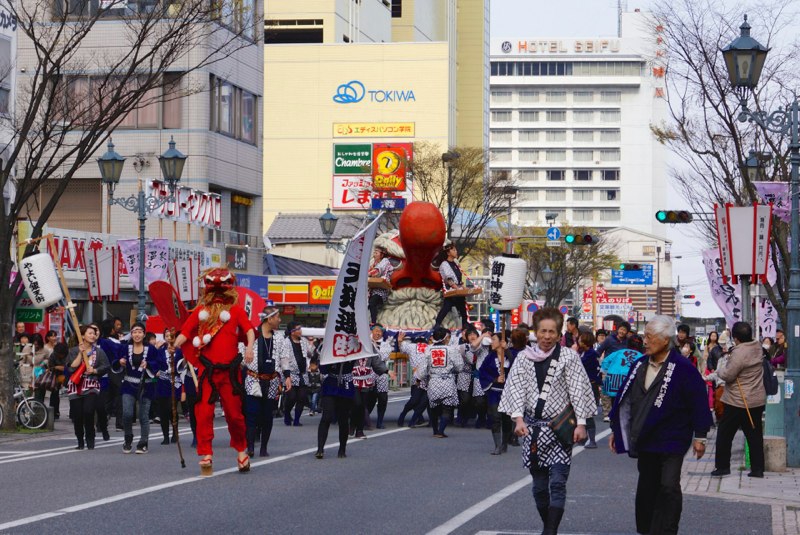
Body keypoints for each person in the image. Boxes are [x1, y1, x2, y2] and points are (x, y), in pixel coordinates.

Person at [608, 315, 712, 535]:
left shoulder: (683, 368)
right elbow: (625, 399)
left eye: (649, 337)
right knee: (647, 486)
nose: (645, 341)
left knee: (668, 485)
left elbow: (698, 402)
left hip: (673, 438)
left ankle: (667, 530)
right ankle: (647, 529)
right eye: (645, 336)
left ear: (665, 340)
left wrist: (700, 436)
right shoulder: (639, 365)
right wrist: (618, 430)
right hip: (646, 437)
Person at [499, 307, 595, 535]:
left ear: (559, 333)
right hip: (532, 430)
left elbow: (578, 390)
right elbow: (515, 389)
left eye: (552, 332)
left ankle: (550, 531)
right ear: (536, 331)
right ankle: (548, 525)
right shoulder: (523, 358)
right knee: (540, 488)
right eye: (543, 331)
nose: (547, 336)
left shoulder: (568, 356)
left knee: (558, 482)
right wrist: (518, 419)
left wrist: (581, 423)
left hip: (560, 429)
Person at [174, 267, 256, 475]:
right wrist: (175, 344)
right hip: (207, 370)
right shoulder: (201, 312)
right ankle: (206, 452)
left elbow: (249, 331)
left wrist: (248, 348)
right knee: (203, 412)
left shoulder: (236, 310)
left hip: (230, 371)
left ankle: (241, 450)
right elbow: (185, 332)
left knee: (234, 414)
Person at [711, 321, 766, 478]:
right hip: (756, 399)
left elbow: (729, 375)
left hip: (738, 400)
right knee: (754, 435)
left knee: (724, 434)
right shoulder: (757, 347)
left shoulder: (740, 352)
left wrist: (720, 370)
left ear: (736, 338)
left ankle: (722, 467)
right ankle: (757, 469)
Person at [116, 322, 165, 454]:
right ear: (131, 334)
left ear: (144, 334)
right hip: (128, 384)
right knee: (127, 414)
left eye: (140, 332)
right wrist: (119, 362)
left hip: (146, 384)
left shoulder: (152, 349)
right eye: (134, 331)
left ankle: (143, 442)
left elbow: (160, 363)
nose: (137, 334)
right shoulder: (125, 348)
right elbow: (115, 362)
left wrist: (148, 364)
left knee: (143, 416)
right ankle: (128, 438)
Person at [242, 306, 285, 458]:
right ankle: (251, 446)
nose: (279, 320)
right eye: (278, 317)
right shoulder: (252, 334)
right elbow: (242, 353)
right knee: (252, 414)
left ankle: (264, 447)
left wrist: (286, 376)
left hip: (271, 380)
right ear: (270, 318)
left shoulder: (279, 338)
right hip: (253, 379)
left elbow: (283, 358)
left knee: (267, 416)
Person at [66, 325, 111, 450]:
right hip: (75, 385)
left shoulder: (99, 352)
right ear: (82, 335)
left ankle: (90, 439)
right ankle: (80, 440)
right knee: (77, 415)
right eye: (90, 333)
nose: (93, 335)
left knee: (88, 411)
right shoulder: (73, 350)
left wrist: (95, 370)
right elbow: (71, 367)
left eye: (94, 333)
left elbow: (106, 366)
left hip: (91, 384)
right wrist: (81, 354)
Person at [419, 327, 463, 438]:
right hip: (447, 380)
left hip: (433, 381)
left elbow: (423, 368)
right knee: (446, 408)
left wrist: (419, 378)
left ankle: (435, 430)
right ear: (445, 338)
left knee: (433, 407)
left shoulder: (429, 349)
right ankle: (441, 431)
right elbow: (459, 366)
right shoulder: (451, 350)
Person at [316, 356, 356, 459]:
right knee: (326, 417)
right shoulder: (329, 346)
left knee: (343, 419)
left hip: (346, 384)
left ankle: (342, 448)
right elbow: (323, 370)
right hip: (331, 383)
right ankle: (320, 448)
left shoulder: (354, 344)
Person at [479, 331, 512, 455]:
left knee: (507, 419)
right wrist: (494, 379)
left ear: (501, 342)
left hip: (508, 392)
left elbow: (517, 366)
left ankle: (504, 443)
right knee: (495, 417)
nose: (491, 342)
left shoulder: (510, 355)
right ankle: (497, 445)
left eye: (494, 340)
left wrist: (507, 350)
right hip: (494, 391)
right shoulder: (490, 357)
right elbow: (482, 371)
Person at [279, 322, 315, 427]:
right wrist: (287, 376)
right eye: (298, 329)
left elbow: (310, 354)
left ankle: (297, 420)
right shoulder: (286, 342)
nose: (300, 330)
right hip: (291, 374)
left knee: (302, 397)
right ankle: (287, 413)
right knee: (291, 397)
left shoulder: (303, 341)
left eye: (300, 328)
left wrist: (311, 343)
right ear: (292, 332)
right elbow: (284, 359)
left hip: (302, 374)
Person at [599, 338, 643, 422]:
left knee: (612, 398)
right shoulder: (641, 356)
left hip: (613, 378)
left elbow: (605, 362)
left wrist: (606, 372)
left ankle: (610, 416)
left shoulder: (618, 352)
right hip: (628, 380)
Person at [457, 328, 489, 428]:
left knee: (479, 400)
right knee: (465, 399)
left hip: (478, 376)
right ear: (465, 337)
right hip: (465, 375)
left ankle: (481, 418)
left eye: (474, 334)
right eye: (469, 334)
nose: (472, 336)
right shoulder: (463, 347)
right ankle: (461, 417)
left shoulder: (483, 346)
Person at [155, 328, 183, 445]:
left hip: (175, 383)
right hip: (162, 383)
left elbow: (183, 365)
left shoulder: (180, 351)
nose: (169, 338)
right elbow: (153, 362)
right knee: (163, 411)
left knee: (171, 408)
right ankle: (165, 435)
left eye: (172, 336)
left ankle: (175, 432)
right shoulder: (160, 351)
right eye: (167, 336)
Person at [397, 334, 431, 428]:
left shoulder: (412, 346)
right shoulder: (430, 347)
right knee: (419, 401)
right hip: (421, 378)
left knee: (418, 401)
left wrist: (400, 340)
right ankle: (406, 416)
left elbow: (402, 347)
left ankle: (409, 419)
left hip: (425, 378)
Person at [433, 242, 470, 329]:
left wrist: (464, 288)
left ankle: (465, 328)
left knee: (463, 311)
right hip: (451, 291)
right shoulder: (444, 264)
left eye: (455, 249)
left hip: (458, 291)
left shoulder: (455, 264)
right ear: (448, 253)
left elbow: (459, 280)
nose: (456, 251)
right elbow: (448, 279)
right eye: (453, 250)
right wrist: (457, 288)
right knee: (445, 309)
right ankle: (436, 326)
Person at [365, 324, 394, 429]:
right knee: (369, 398)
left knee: (382, 398)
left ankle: (380, 421)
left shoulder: (386, 345)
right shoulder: (366, 343)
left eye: (380, 332)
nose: (377, 333)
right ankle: (365, 420)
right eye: (376, 331)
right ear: (371, 331)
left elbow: (382, 357)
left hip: (382, 373)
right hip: (369, 373)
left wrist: (373, 347)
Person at [577, 331, 601, 449]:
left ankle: (592, 439)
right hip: (585, 384)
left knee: (588, 412)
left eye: (581, 339)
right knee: (582, 411)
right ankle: (584, 437)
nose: (579, 341)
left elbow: (581, 365)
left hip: (590, 385)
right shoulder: (585, 353)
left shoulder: (590, 354)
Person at [367, 247, 394, 323]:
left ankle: (373, 322)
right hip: (374, 288)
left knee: (372, 303)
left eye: (376, 253)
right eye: (374, 253)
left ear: (382, 255)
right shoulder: (374, 263)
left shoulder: (385, 261)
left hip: (382, 289)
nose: (374, 255)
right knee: (370, 305)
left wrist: (368, 274)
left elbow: (378, 270)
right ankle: (372, 321)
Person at [47, 342, 69, 419]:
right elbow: (51, 367)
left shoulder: (69, 355)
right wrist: (57, 368)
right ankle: (54, 412)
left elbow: (69, 367)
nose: (60, 356)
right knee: (54, 393)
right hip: (56, 376)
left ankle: (73, 413)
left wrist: (60, 367)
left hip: (69, 375)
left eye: (61, 354)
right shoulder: (53, 355)